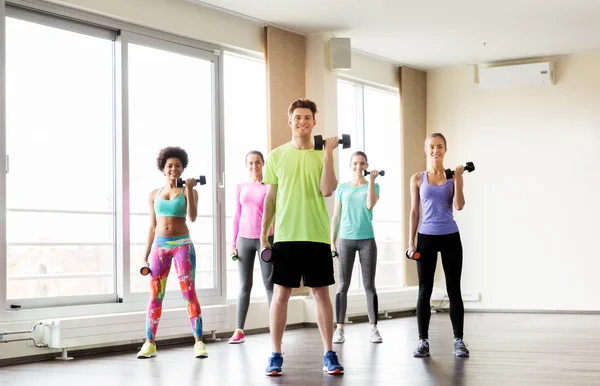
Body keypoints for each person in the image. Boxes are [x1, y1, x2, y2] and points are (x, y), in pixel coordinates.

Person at [260, 98, 344, 376]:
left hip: (317, 235)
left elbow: (328, 190)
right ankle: (275, 354)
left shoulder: (322, 155)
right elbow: (270, 199)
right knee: (281, 294)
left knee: (321, 293)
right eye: (297, 117)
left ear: (314, 122)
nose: (302, 122)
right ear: (290, 121)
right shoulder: (276, 156)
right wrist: (264, 234)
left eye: (307, 117)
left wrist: (329, 153)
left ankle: (329, 353)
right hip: (285, 235)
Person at [136, 146, 208, 359]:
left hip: (182, 245)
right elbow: (151, 226)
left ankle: (199, 342)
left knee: (189, 293)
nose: (174, 169)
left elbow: (192, 217)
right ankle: (149, 344)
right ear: (163, 168)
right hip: (159, 247)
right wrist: (145, 255)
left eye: (178, 166)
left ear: (183, 168)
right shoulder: (153, 194)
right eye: (170, 166)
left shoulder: (189, 191)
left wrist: (189, 191)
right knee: (156, 296)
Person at [407, 133, 470, 358]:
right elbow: (415, 211)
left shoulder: (453, 176)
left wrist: (460, 181)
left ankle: (459, 340)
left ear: (445, 149)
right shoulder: (417, 178)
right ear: (426, 149)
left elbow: (459, 206)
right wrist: (410, 241)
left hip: (450, 235)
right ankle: (423, 341)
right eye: (432, 147)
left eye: (440, 147)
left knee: (454, 290)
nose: (436, 150)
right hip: (426, 236)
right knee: (425, 290)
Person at [330, 151, 382, 344]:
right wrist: (332, 241)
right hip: (345, 240)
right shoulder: (343, 188)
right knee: (343, 285)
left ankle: (374, 328)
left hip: (367, 239)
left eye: (362, 163)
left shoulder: (374, 185)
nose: (358, 167)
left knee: (369, 285)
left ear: (366, 165)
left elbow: (370, 204)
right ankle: (339, 329)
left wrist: (371, 181)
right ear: (350, 165)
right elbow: (335, 216)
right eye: (355, 163)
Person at [229, 150, 274, 344]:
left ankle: (275, 328)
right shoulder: (241, 187)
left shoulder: (269, 187)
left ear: (263, 163)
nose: (254, 166)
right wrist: (233, 244)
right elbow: (237, 216)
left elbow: (275, 214)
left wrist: (272, 241)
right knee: (244, 286)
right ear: (246, 165)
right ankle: (239, 330)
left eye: (257, 162)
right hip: (244, 240)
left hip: (266, 239)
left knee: (269, 285)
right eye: (250, 163)